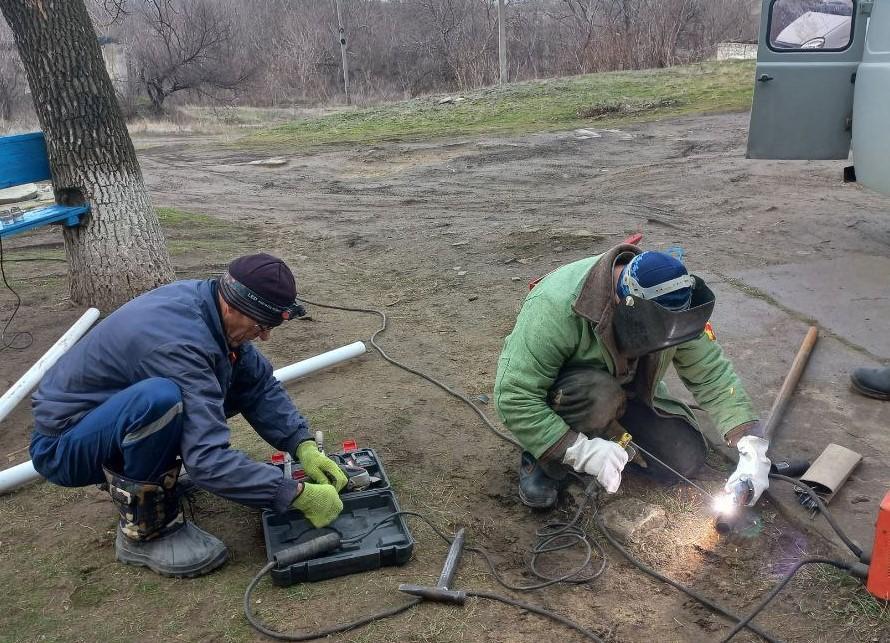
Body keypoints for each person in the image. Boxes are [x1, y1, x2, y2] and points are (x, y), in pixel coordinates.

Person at [29, 253, 348, 578]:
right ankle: (145, 532)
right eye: (260, 326)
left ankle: (151, 481)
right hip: (65, 448)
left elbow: (258, 385)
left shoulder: (210, 308)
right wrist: (293, 494)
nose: (264, 336)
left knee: (214, 383)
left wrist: (301, 444)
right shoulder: (179, 343)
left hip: (106, 419)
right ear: (233, 306)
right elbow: (207, 461)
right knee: (161, 401)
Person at [494, 244, 770, 509]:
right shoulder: (555, 305)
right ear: (622, 303)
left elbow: (712, 374)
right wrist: (578, 450)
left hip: (628, 392)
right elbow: (514, 396)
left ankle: (612, 436)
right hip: (574, 396)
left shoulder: (675, 304)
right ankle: (546, 460)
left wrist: (750, 444)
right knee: (599, 396)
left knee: (683, 457)